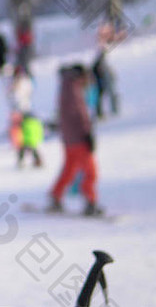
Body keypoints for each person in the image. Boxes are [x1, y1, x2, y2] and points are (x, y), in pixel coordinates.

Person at [49, 64, 102, 216]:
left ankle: (55, 196)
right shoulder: (74, 89)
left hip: (69, 138)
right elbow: (80, 114)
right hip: (78, 138)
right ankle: (90, 202)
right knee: (90, 171)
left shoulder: (66, 87)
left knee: (70, 169)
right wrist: (87, 134)